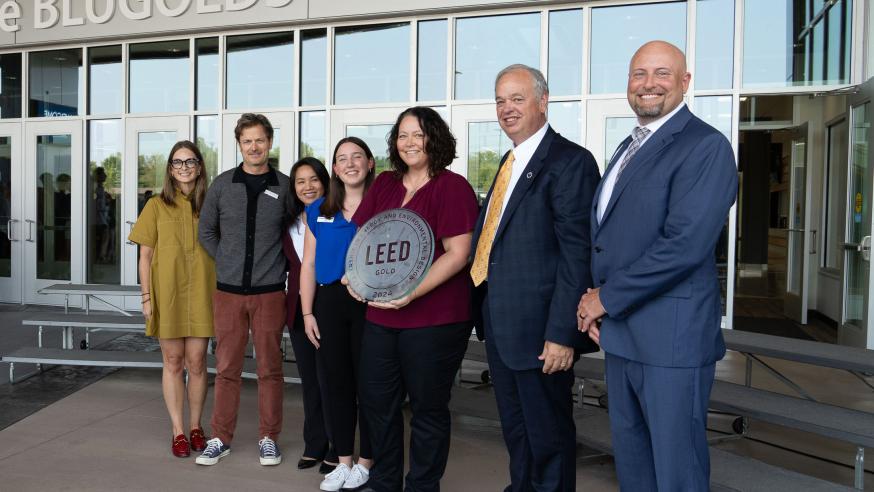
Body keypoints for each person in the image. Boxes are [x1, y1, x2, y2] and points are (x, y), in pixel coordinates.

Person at [577, 41, 738, 491]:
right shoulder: (629, 146)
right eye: (639, 74)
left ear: (685, 82)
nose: (648, 84)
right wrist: (600, 306)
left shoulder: (705, 146)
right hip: (624, 335)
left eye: (662, 73)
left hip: (672, 341)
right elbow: (615, 239)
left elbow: (684, 245)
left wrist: (604, 298)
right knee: (633, 465)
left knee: (676, 472)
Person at [469, 64, 600, 491]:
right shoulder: (509, 160)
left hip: (543, 333)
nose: (507, 109)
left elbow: (576, 254)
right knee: (518, 434)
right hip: (504, 329)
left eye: (517, 98)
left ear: (543, 101)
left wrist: (563, 333)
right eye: (500, 100)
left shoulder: (570, 162)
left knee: (549, 439)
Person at [348, 106, 479, 492]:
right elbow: (364, 240)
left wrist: (410, 293)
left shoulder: (452, 187)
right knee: (377, 403)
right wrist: (354, 278)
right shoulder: (386, 184)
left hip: (435, 318)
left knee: (427, 408)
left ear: (433, 139)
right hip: (382, 317)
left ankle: (422, 485)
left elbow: (459, 254)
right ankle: (385, 481)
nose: (409, 143)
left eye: (417, 135)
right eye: (402, 135)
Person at [196, 113, 290, 467]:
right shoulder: (222, 185)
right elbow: (206, 231)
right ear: (239, 145)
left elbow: (295, 233)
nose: (254, 146)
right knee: (227, 368)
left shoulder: (283, 186)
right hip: (228, 293)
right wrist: (227, 261)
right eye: (247, 141)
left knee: (269, 368)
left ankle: (269, 438)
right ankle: (220, 437)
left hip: (269, 293)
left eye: (260, 140)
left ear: (269, 143)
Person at [128, 140, 215, 458]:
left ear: (199, 165)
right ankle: (178, 431)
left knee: (198, 362)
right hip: (168, 293)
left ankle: (196, 427)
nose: (184, 168)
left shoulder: (211, 202)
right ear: (169, 168)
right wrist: (146, 296)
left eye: (190, 161)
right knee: (173, 362)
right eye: (177, 162)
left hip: (204, 292)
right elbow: (145, 256)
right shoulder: (155, 204)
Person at [300, 136, 375, 491]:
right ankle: (344, 461)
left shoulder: (382, 206)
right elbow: (309, 263)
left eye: (357, 156)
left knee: (371, 385)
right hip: (328, 304)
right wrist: (307, 313)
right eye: (342, 158)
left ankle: (366, 462)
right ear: (334, 168)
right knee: (336, 385)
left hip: (369, 305)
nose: (350, 163)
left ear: (370, 163)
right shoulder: (319, 209)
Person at [282, 157, 339, 474]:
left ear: (325, 181)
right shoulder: (289, 222)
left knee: (330, 379)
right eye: (300, 181)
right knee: (309, 383)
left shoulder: (336, 215)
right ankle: (314, 444)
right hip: (298, 309)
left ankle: (336, 445)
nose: (307, 186)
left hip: (328, 307)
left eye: (313, 179)